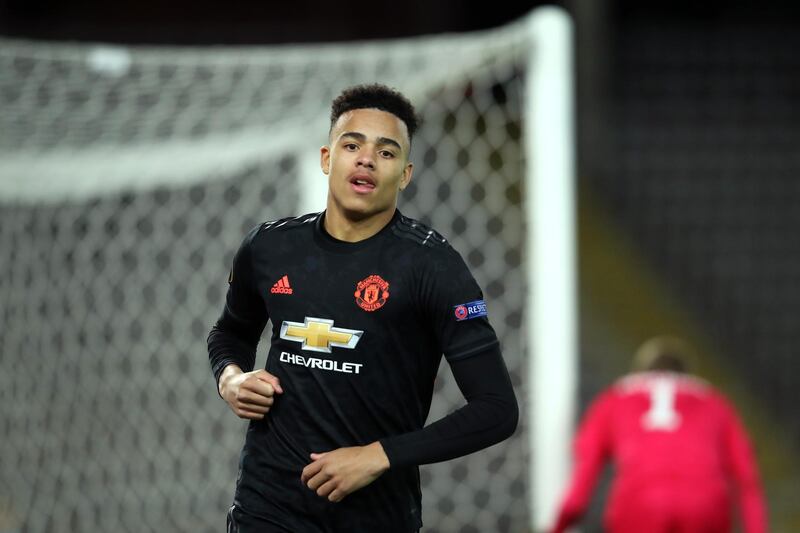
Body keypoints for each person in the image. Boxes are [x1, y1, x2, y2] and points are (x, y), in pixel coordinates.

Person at [207, 83, 518, 533]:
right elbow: (229, 333)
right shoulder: (269, 247)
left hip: (376, 518)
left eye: (386, 152)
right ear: (326, 158)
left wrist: (378, 456)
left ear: (405, 175)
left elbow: (496, 408)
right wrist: (231, 378)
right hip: (266, 509)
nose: (366, 159)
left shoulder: (432, 266)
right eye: (351, 144)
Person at [550, 336, 767, 533]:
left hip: (638, 506)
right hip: (705, 507)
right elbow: (747, 477)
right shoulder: (715, 402)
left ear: (640, 372)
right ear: (687, 374)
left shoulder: (614, 398)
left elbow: (583, 480)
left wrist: (559, 525)